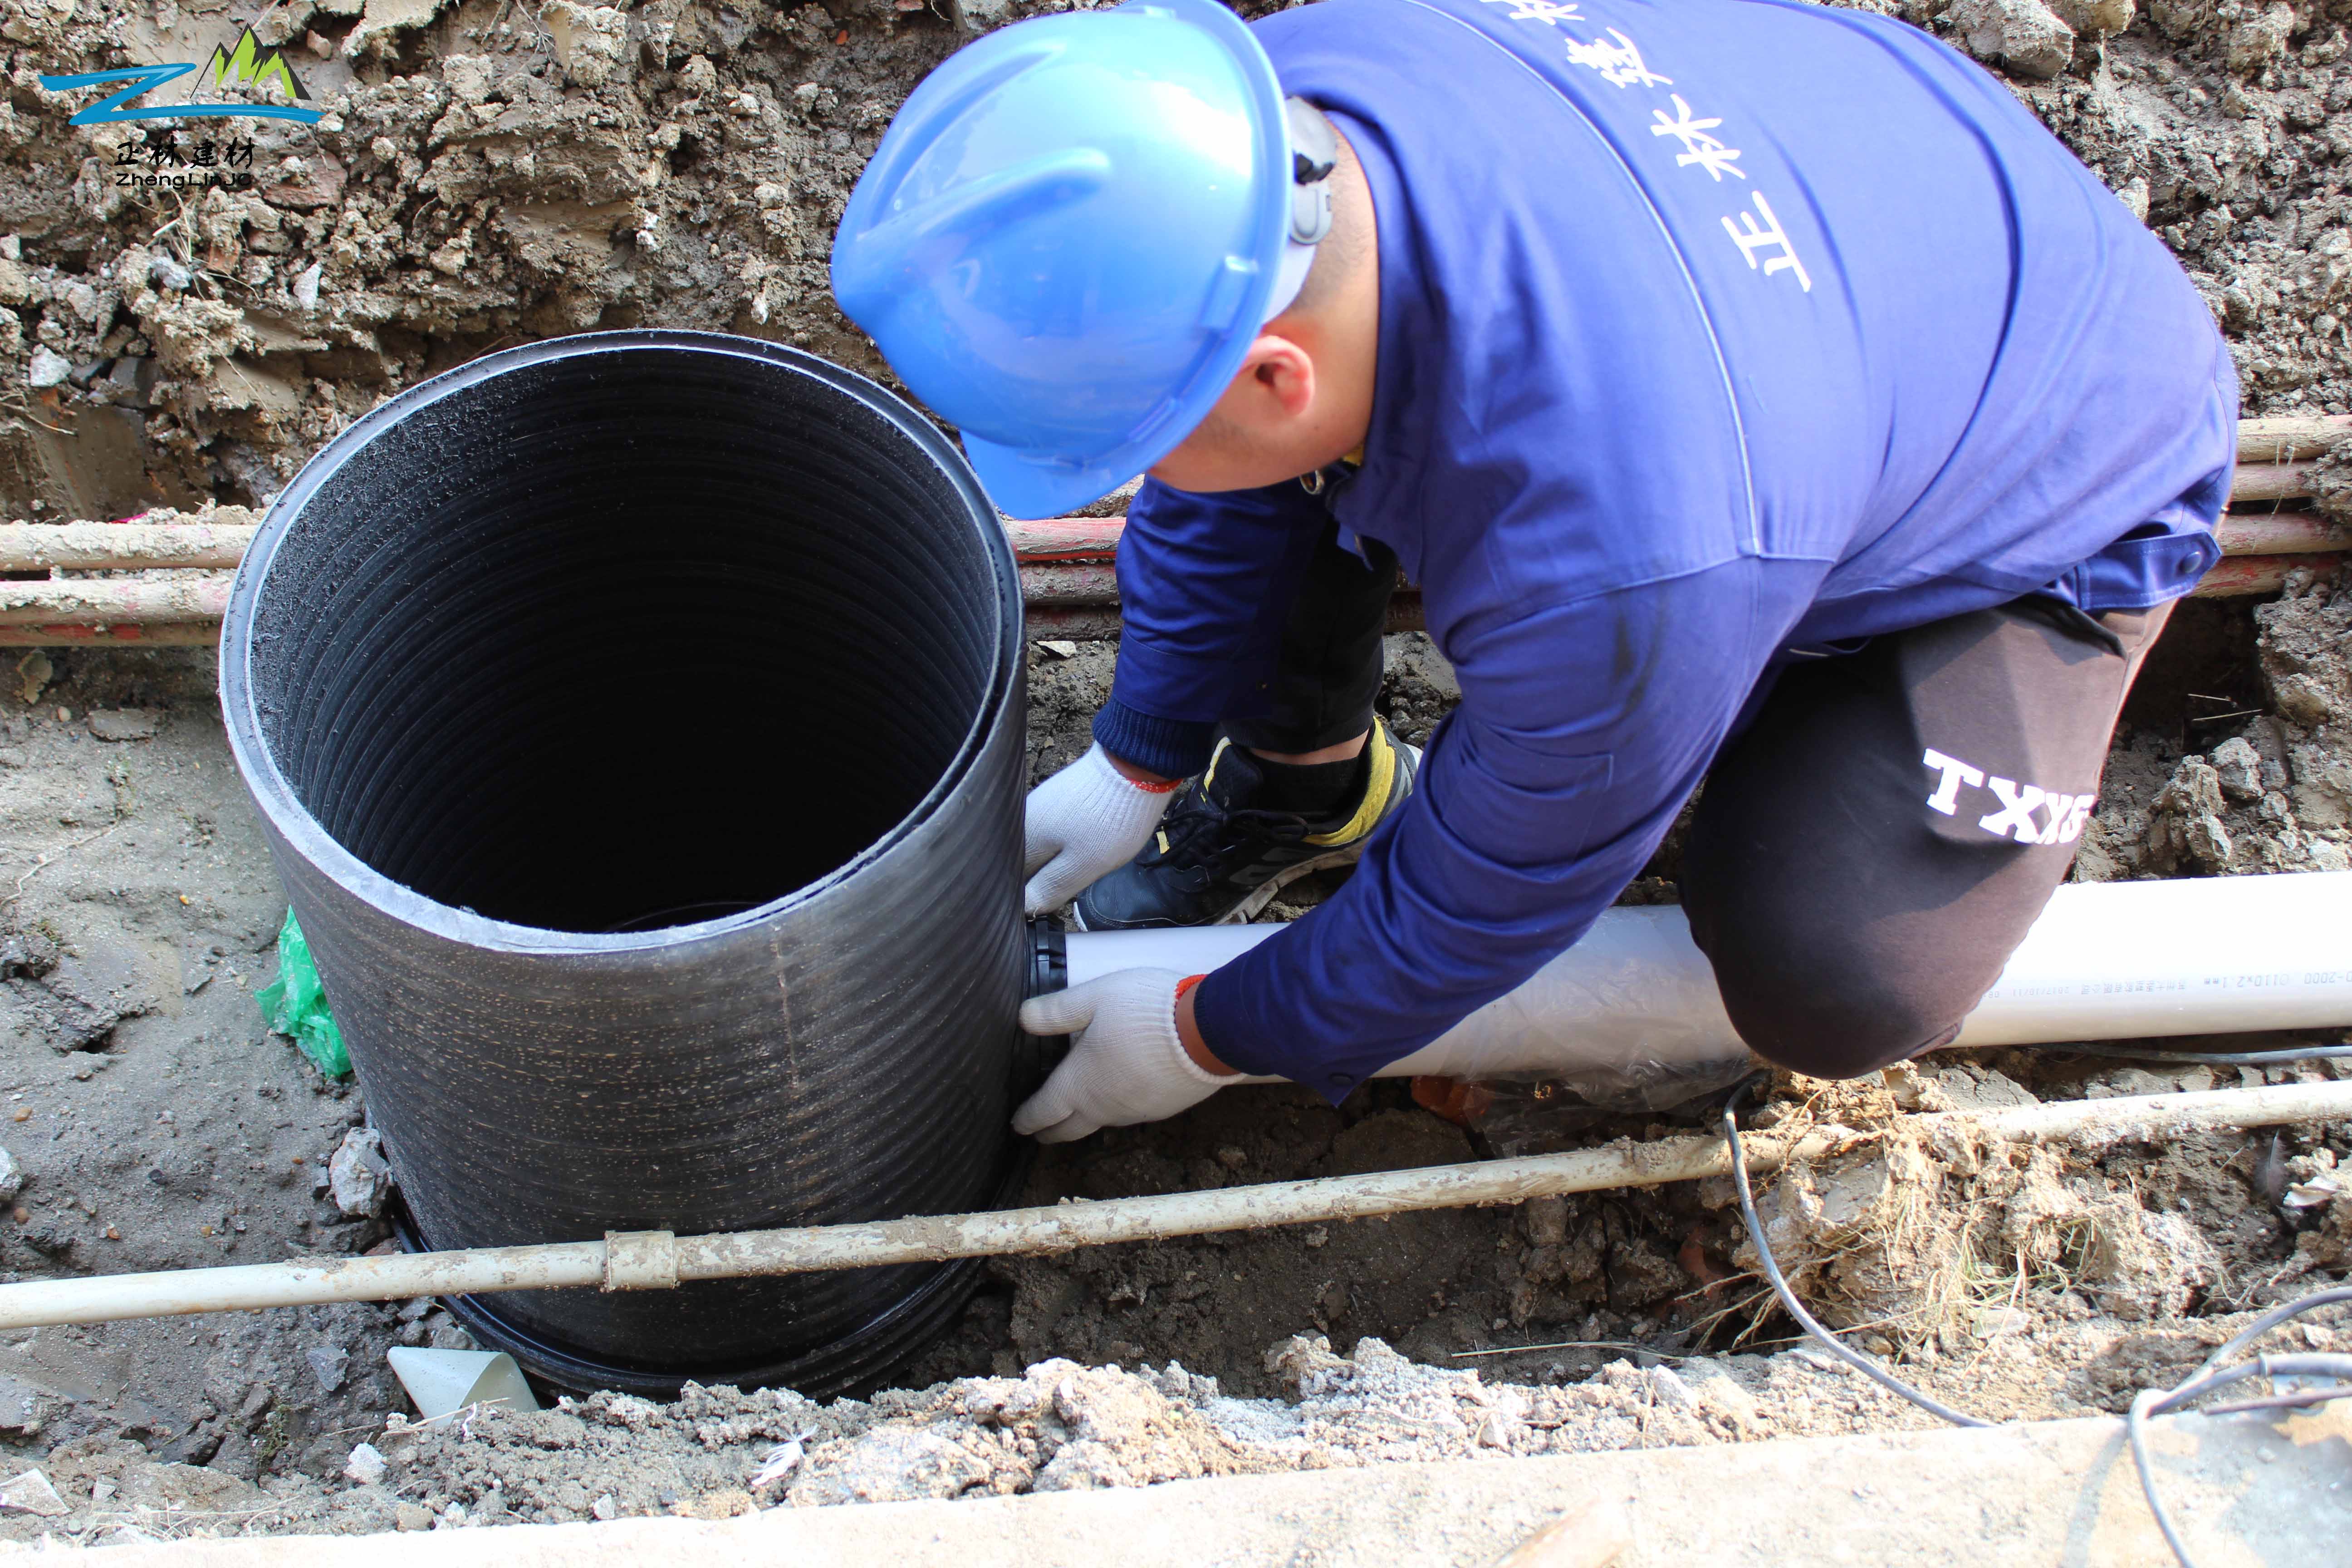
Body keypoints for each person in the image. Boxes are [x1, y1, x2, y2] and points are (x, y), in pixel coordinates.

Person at [831, 0, 2235, 1143]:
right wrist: (1143, 751)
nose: (1139, 481)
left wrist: (1215, 1032)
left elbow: (1484, 900)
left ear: (1277, 373)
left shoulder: (1619, 553)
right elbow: (1226, 457)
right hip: (1836, 202)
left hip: (2058, 442)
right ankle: (1316, 790)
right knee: (1287, 489)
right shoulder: (1272, 124)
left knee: (1842, 978)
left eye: (1135, 449)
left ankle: (1778, 695)